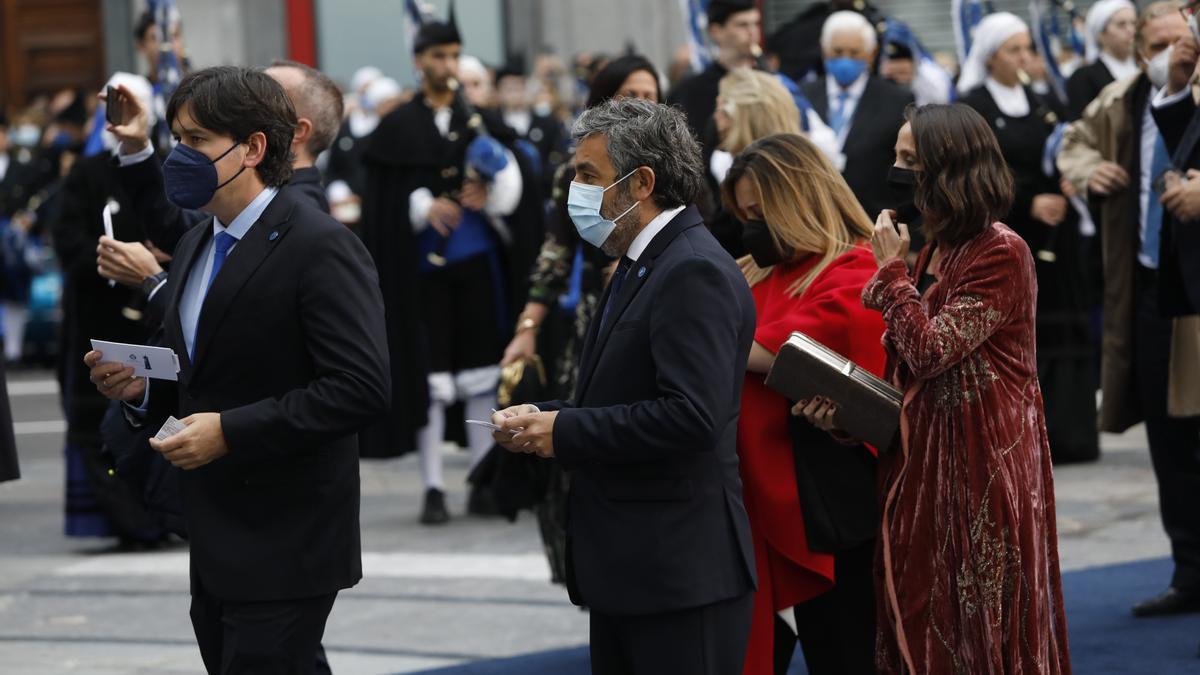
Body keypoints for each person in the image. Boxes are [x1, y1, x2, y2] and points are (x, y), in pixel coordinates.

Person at [83, 65, 390, 673]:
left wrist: (230, 430)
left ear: (252, 148)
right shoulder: (199, 243)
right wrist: (141, 390)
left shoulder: (319, 243)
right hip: (216, 532)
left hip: (289, 533)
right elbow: (197, 370)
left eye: (196, 141)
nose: (181, 155)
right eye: (176, 139)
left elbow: (361, 388)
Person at [802, 102, 1071, 673]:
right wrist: (850, 416)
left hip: (983, 466)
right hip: (925, 462)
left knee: (976, 625)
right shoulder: (935, 247)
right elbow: (907, 368)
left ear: (949, 168)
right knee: (924, 617)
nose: (899, 172)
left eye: (910, 160)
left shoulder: (1002, 250)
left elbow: (931, 351)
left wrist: (891, 273)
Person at [491, 98, 757, 675]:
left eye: (589, 176)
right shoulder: (642, 260)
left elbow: (692, 416)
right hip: (636, 569)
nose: (575, 192)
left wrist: (565, 430)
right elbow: (622, 391)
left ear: (641, 183)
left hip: (679, 573)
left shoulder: (692, 268)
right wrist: (545, 415)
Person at [359, 14, 543, 524]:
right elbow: (381, 201)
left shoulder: (476, 118)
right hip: (422, 272)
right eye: (438, 56)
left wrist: (494, 187)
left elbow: (517, 178)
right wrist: (419, 206)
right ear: (419, 61)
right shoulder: (396, 127)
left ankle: (483, 479)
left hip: (478, 262)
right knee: (430, 374)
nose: (447, 65)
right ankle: (434, 486)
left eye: (453, 55)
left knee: (482, 368)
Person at [723, 132, 884, 675]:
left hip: (829, 498)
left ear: (798, 197)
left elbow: (782, 350)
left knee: (846, 650)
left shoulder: (855, 265)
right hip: (761, 498)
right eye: (744, 214)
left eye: (760, 211)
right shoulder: (759, 270)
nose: (751, 227)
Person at [496, 56, 661, 583]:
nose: (642, 105)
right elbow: (555, 251)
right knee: (578, 425)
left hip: (652, 303)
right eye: (629, 94)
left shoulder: (676, 171)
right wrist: (527, 328)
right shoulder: (580, 173)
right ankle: (583, 563)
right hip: (592, 314)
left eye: (651, 94)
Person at [959, 12, 1100, 464]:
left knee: (1061, 326)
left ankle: (1070, 432)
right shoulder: (975, 103)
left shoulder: (1042, 103)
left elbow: (1057, 152)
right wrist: (1026, 202)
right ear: (991, 56)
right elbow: (981, 169)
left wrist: (1064, 185)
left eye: (1027, 49)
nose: (1024, 58)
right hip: (1008, 229)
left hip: (1053, 238)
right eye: (1013, 50)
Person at [1123, 12, 1200, 616]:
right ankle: (1190, 569)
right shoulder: (1126, 99)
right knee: (1168, 435)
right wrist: (1175, 85)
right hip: (1161, 283)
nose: (1180, 46)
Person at [802, 11, 914, 221]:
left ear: (871, 54)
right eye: (837, 51)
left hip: (874, 223)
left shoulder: (897, 99)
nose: (845, 60)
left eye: (854, 53)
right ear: (824, 51)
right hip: (815, 223)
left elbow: (908, 171)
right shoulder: (803, 95)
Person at [668, 0, 761, 145]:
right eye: (742, 25)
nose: (753, 32)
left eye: (755, 23)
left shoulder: (771, 81)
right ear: (716, 32)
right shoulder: (690, 91)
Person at [1067, 0, 1138, 121]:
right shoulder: (1083, 78)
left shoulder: (1145, 67)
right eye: (1121, 24)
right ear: (1101, 34)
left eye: (1134, 23)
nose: (1131, 30)